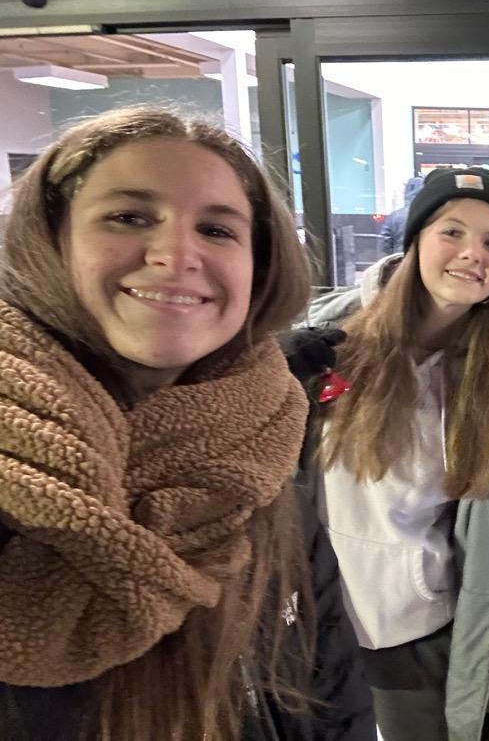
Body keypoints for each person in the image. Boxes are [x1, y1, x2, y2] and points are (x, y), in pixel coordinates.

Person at [0, 107, 374, 740]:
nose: (175, 254)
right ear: (49, 239)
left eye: (217, 230)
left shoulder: (262, 454)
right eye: (129, 217)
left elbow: (331, 691)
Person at [283, 167, 489, 741]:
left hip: (420, 636)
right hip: (313, 625)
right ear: (416, 241)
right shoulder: (330, 339)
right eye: (452, 232)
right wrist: (277, 373)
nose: (472, 253)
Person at [379, 175, 424, 254]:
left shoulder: (394, 216)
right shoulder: (430, 214)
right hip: (423, 258)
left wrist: (395, 253)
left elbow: (385, 243)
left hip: (400, 258)